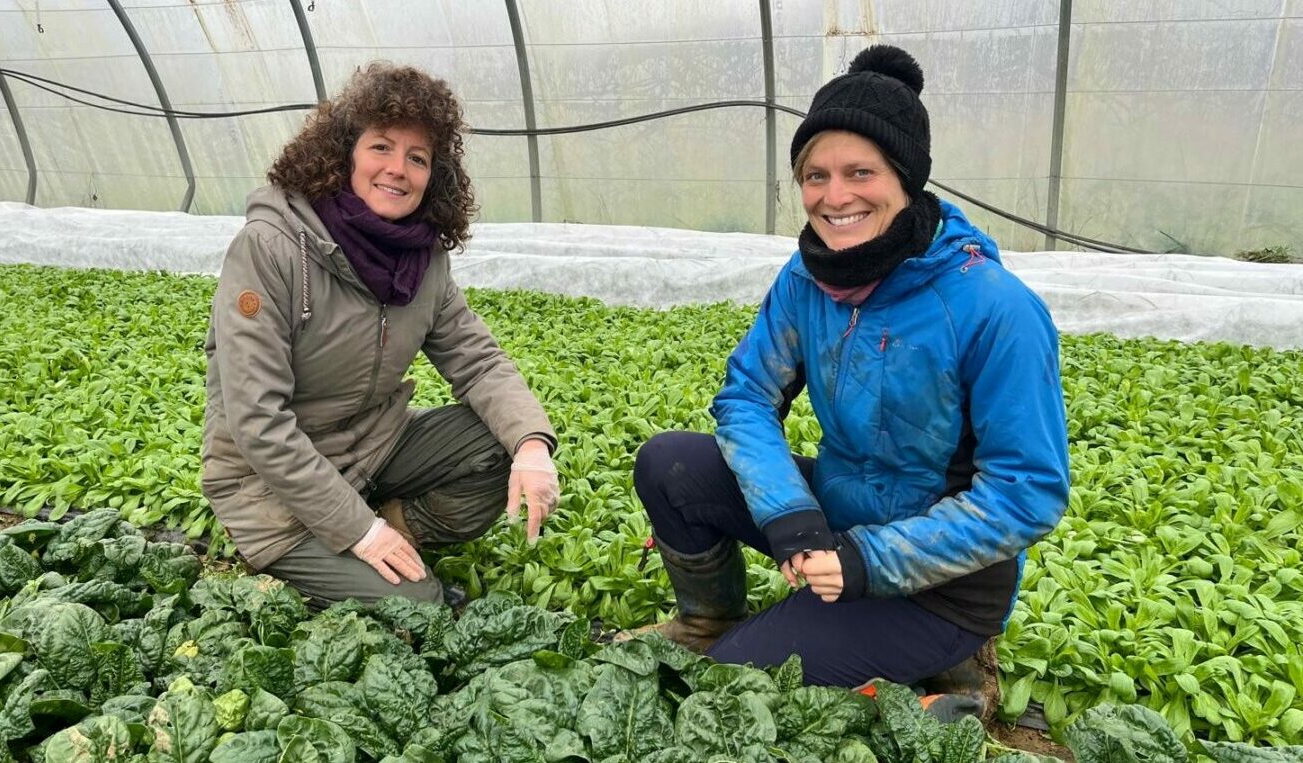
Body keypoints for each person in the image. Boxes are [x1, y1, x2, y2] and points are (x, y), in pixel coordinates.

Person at [628, 45, 1070, 695]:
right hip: (840, 519)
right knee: (670, 464)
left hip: (940, 587)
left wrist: (867, 560)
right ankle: (707, 619)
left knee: (726, 687)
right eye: (816, 175)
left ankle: (954, 677)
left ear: (905, 178)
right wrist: (790, 515)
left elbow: (1026, 491)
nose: (835, 197)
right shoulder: (807, 277)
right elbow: (747, 396)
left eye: (861, 172)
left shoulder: (993, 307)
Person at [201, 62, 559, 607]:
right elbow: (257, 420)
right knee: (421, 608)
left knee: (501, 440)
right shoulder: (271, 248)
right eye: (381, 147)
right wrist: (361, 533)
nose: (397, 169)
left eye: (417, 158)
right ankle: (318, 549)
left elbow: (479, 362)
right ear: (343, 154)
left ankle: (394, 526)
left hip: (370, 453)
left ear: (434, 176)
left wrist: (531, 446)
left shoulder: (422, 260)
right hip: (268, 489)